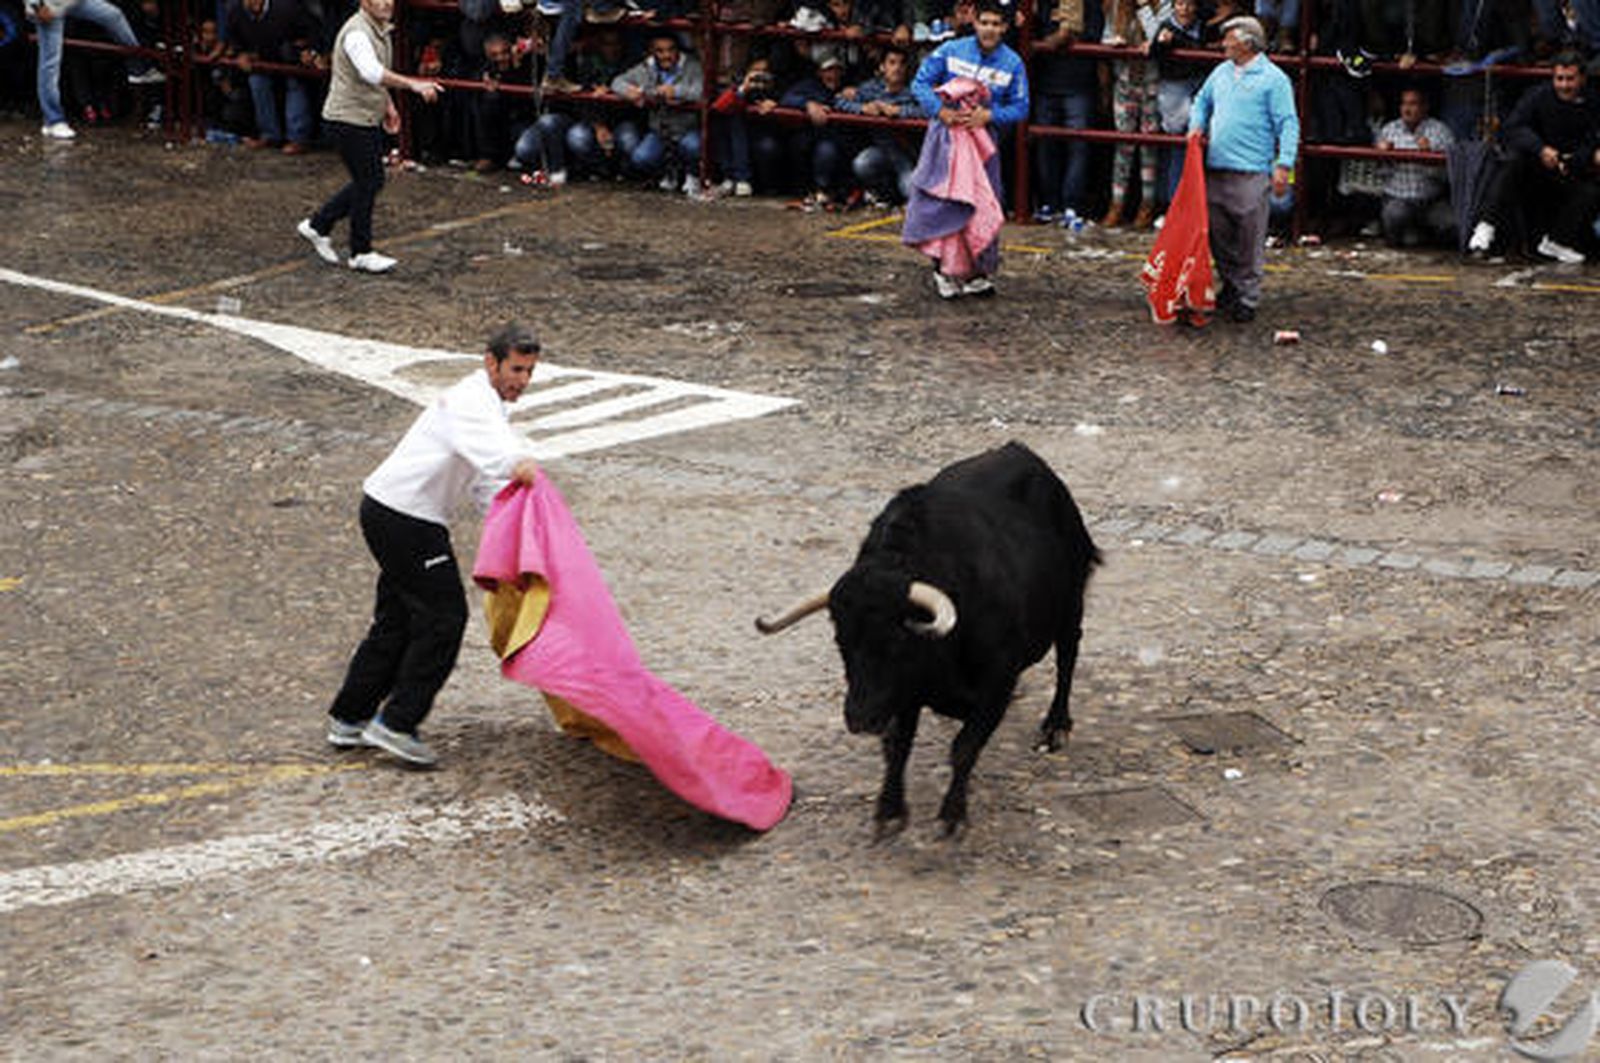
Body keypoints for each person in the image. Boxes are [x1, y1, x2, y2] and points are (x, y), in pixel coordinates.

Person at [327, 322, 545, 767]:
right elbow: (494, 456)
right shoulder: (472, 401)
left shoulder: (490, 406)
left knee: (397, 620)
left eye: (528, 372)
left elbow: (485, 481)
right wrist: (520, 465)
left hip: (393, 512)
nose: (522, 381)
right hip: (407, 520)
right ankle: (397, 722)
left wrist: (509, 532)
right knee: (445, 618)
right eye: (516, 369)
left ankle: (350, 717)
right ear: (491, 362)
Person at [297, 0, 442, 274]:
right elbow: (371, 72)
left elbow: (372, 77)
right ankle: (359, 250)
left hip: (360, 117)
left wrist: (387, 105)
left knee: (369, 180)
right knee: (369, 180)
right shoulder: (357, 33)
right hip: (347, 119)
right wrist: (413, 84)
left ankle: (319, 225)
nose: (387, 3)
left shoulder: (377, 29)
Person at [908, 0, 1029, 296]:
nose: (989, 29)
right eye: (984, 22)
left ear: (1005, 27)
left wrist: (989, 116)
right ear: (974, 21)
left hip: (984, 145)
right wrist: (941, 111)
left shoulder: (1013, 63)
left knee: (984, 203)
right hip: (946, 142)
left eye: (995, 24)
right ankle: (942, 269)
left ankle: (977, 271)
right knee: (946, 202)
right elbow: (920, 83)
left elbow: (1021, 107)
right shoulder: (951, 50)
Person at [1187, 15, 1298, 322]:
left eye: (1230, 38)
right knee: (1218, 234)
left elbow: (1288, 123)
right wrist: (1196, 125)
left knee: (1249, 237)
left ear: (1247, 42)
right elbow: (1201, 101)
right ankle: (1233, 285)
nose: (1224, 43)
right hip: (1217, 167)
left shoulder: (1274, 80)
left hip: (1251, 170)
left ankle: (1247, 295)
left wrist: (1283, 164)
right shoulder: (1221, 72)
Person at [1467, 54, 1600, 263]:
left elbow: (1593, 138)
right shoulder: (1538, 96)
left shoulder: (1593, 101)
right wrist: (1541, 149)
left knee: (1591, 190)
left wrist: (1577, 159)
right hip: (1536, 167)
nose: (1564, 85)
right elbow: (1514, 127)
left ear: (1582, 79)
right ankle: (1485, 227)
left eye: (1570, 79)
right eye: (1560, 78)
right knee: (1513, 162)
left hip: (1571, 170)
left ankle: (1557, 241)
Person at [24, 0, 167, 141]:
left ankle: (139, 67)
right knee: (50, 63)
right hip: (48, 5)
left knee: (113, 15)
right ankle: (53, 120)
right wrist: (36, 5)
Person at [609, 32, 705, 194]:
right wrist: (629, 91)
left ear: (678, 51)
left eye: (670, 50)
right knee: (641, 159)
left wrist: (675, 91)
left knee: (693, 146)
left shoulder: (692, 65)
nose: (666, 55)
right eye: (660, 51)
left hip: (687, 129)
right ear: (652, 52)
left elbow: (700, 91)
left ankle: (692, 175)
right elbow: (616, 82)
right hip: (660, 131)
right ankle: (667, 172)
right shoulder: (647, 68)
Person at [225, 0, 323, 155]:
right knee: (257, 81)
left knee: (294, 83)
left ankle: (297, 138)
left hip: (290, 57)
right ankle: (270, 135)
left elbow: (313, 30)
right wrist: (241, 53)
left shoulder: (288, 7)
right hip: (262, 60)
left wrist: (310, 50)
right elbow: (233, 40)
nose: (253, 2)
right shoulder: (235, 11)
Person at [835, 46, 928, 206]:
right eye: (892, 63)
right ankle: (885, 193)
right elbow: (839, 101)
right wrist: (863, 109)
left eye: (901, 64)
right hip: (882, 150)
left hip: (907, 152)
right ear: (882, 67)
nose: (897, 68)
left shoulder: (916, 89)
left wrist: (900, 111)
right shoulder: (871, 88)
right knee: (862, 163)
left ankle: (899, 193)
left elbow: (930, 110)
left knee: (910, 191)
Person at [1376, 86, 1455, 247]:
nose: (1407, 109)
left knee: (1453, 226)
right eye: (1404, 104)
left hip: (1431, 200)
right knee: (1395, 215)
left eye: (1413, 104)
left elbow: (1450, 176)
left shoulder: (1441, 131)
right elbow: (1379, 175)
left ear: (1425, 107)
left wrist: (1429, 157)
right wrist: (1385, 158)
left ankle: (1425, 239)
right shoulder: (1389, 130)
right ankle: (1403, 239)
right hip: (1398, 199)